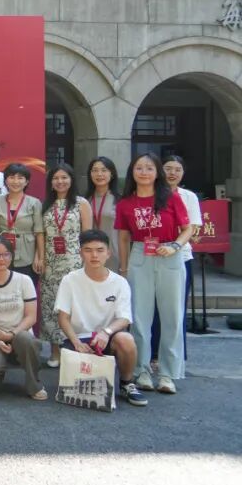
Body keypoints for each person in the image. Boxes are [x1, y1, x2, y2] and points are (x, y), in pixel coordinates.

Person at [116, 153, 192, 395]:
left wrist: (175, 246)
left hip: (169, 254)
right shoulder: (125, 203)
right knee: (139, 317)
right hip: (140, 255)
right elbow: (123, 237)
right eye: (139, 168)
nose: (144, 172)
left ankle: (168, 374)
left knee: (172, 316)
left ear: (157, 172)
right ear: (132, 172)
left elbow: (188, 228)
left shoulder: (171, 197)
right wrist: (124, 268)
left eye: (149, 168)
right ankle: (141, 371)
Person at [56, 229, 147, 407]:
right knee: (77, 389)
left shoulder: (120, 282)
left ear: (108, 253)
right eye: (88, 250)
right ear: (80, 253)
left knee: (126, 339)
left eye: (99, 250)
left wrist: (106, 332)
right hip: (78, 339)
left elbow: (124, 318)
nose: (94, 255)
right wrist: (76, 342)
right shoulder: (69, 280)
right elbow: (63, 318)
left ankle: (127, 383)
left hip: (107, 339)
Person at [0, 237, 46, 400]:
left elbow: (31, 317)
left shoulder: (24, 280)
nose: (1, 259)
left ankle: (34, 384)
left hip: (20, 334)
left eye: (6, 254)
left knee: (26, 340)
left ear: (12, 257)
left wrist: (12, 334)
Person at [40, 163, 92, 367]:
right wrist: (40, 258)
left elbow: (88, 236)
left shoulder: (81, 203)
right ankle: (55, 352)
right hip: (51, 263)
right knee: (51, 306)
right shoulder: (46, 205)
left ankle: (75, 350)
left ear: (71, 180)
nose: (60, 182)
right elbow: (41, 235)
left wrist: (86, 262)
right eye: (56, 178)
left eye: (64, 177)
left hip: (74, 262)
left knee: (73, 307)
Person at [154, 155, 202, 364]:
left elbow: (193, 227)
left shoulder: (188, 196)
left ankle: (176, 356)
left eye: (177, 169)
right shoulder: (149, 193)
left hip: (181, 257)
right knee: (153, 309)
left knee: (176, 308)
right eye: (168, 168)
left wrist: (174, 243)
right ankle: (154, 354)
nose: (172, 173)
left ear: (183, 173)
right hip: (152, 255)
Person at [0, 162, 44, 281]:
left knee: (26, 287)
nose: (16, 181)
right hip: (1, 254)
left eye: (20, 178)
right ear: (5, 180)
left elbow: (39, 233)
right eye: (12, 177)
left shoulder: (34, 203)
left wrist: (39, 257)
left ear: (26, 181)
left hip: (27, 255)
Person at [85, 156, 121, 271]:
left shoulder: (120, 200)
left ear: (112, 174)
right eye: (95, 170)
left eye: (104, 170)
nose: (99, 174)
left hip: (113, 255)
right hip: (90, 255)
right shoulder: (85, 200)